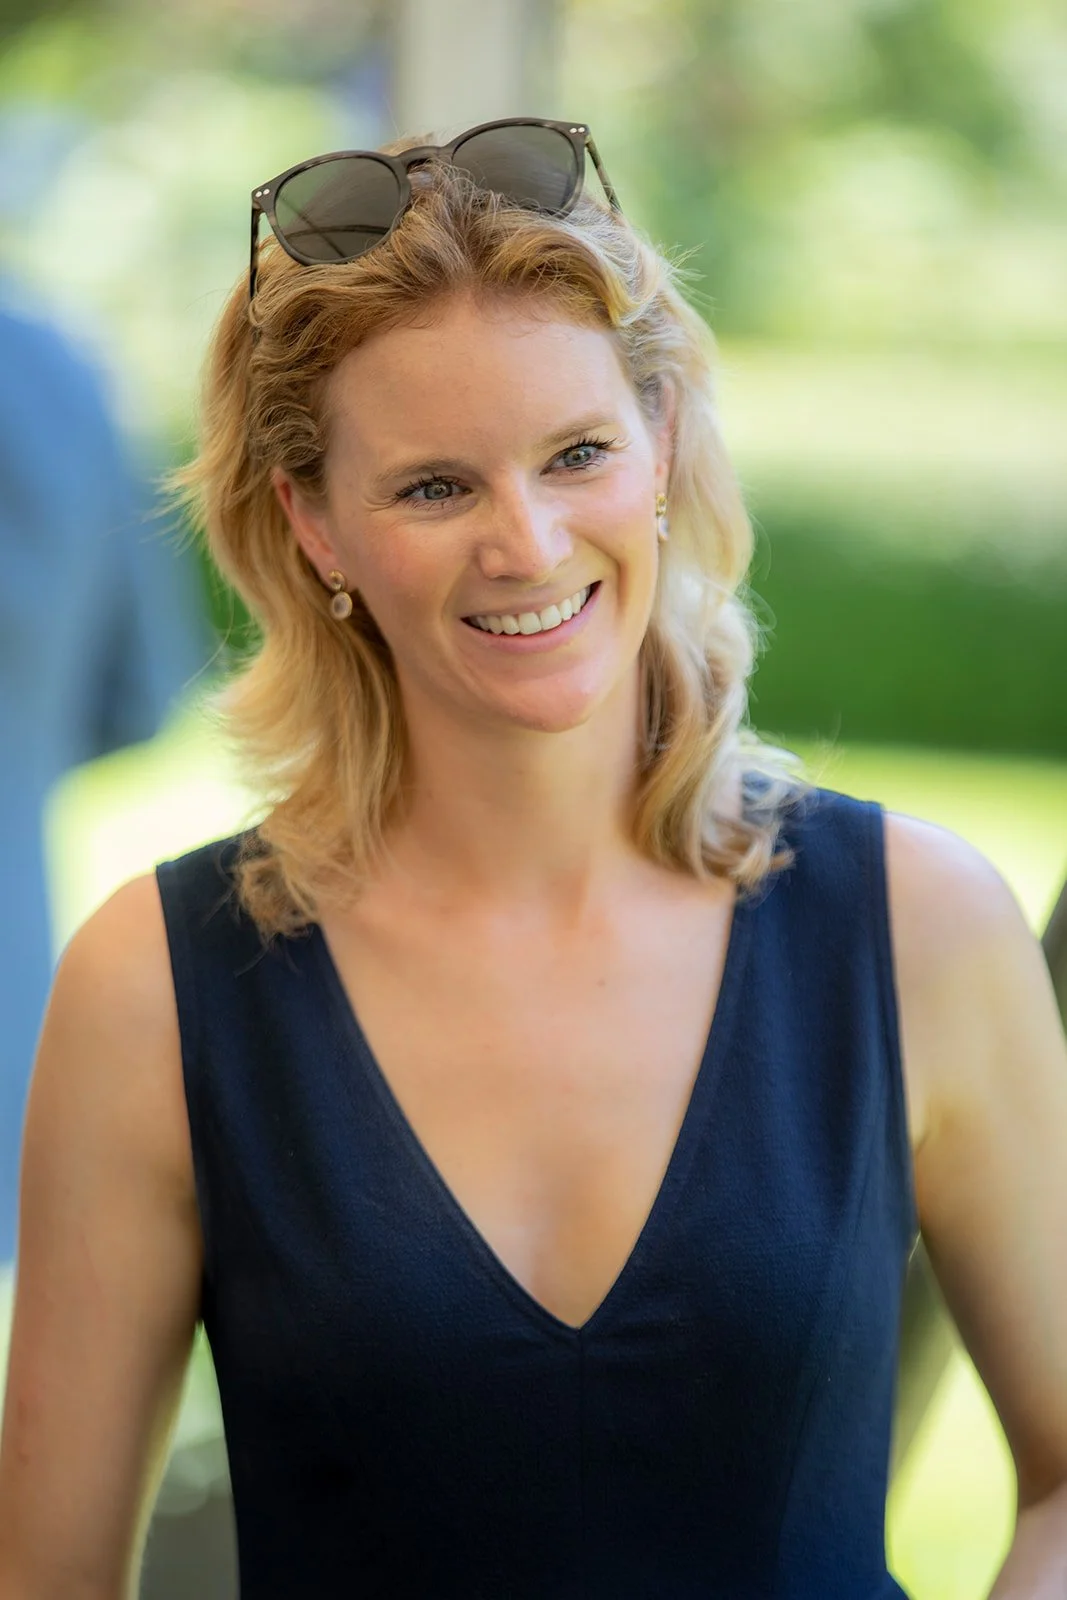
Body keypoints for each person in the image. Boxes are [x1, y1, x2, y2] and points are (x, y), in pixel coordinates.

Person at [1, 118, 1065, 1599]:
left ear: (660, 446)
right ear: (313, 525)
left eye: (576, 454)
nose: (527, 541)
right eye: (435, 487)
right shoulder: (159, 987)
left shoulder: (918, 928)